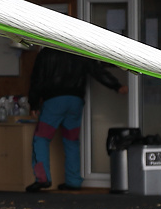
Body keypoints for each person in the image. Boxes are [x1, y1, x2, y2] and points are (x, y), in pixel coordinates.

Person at [26, 46, 127, 191]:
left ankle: (43, 178)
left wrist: (34, 103)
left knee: (41, 138)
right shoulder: (79, 50)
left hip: (54, 101)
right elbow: (97, 70)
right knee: (71, 141)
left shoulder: (46, 53)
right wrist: (116, 86)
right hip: (75, 101)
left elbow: (37, 78)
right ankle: (73, 181)